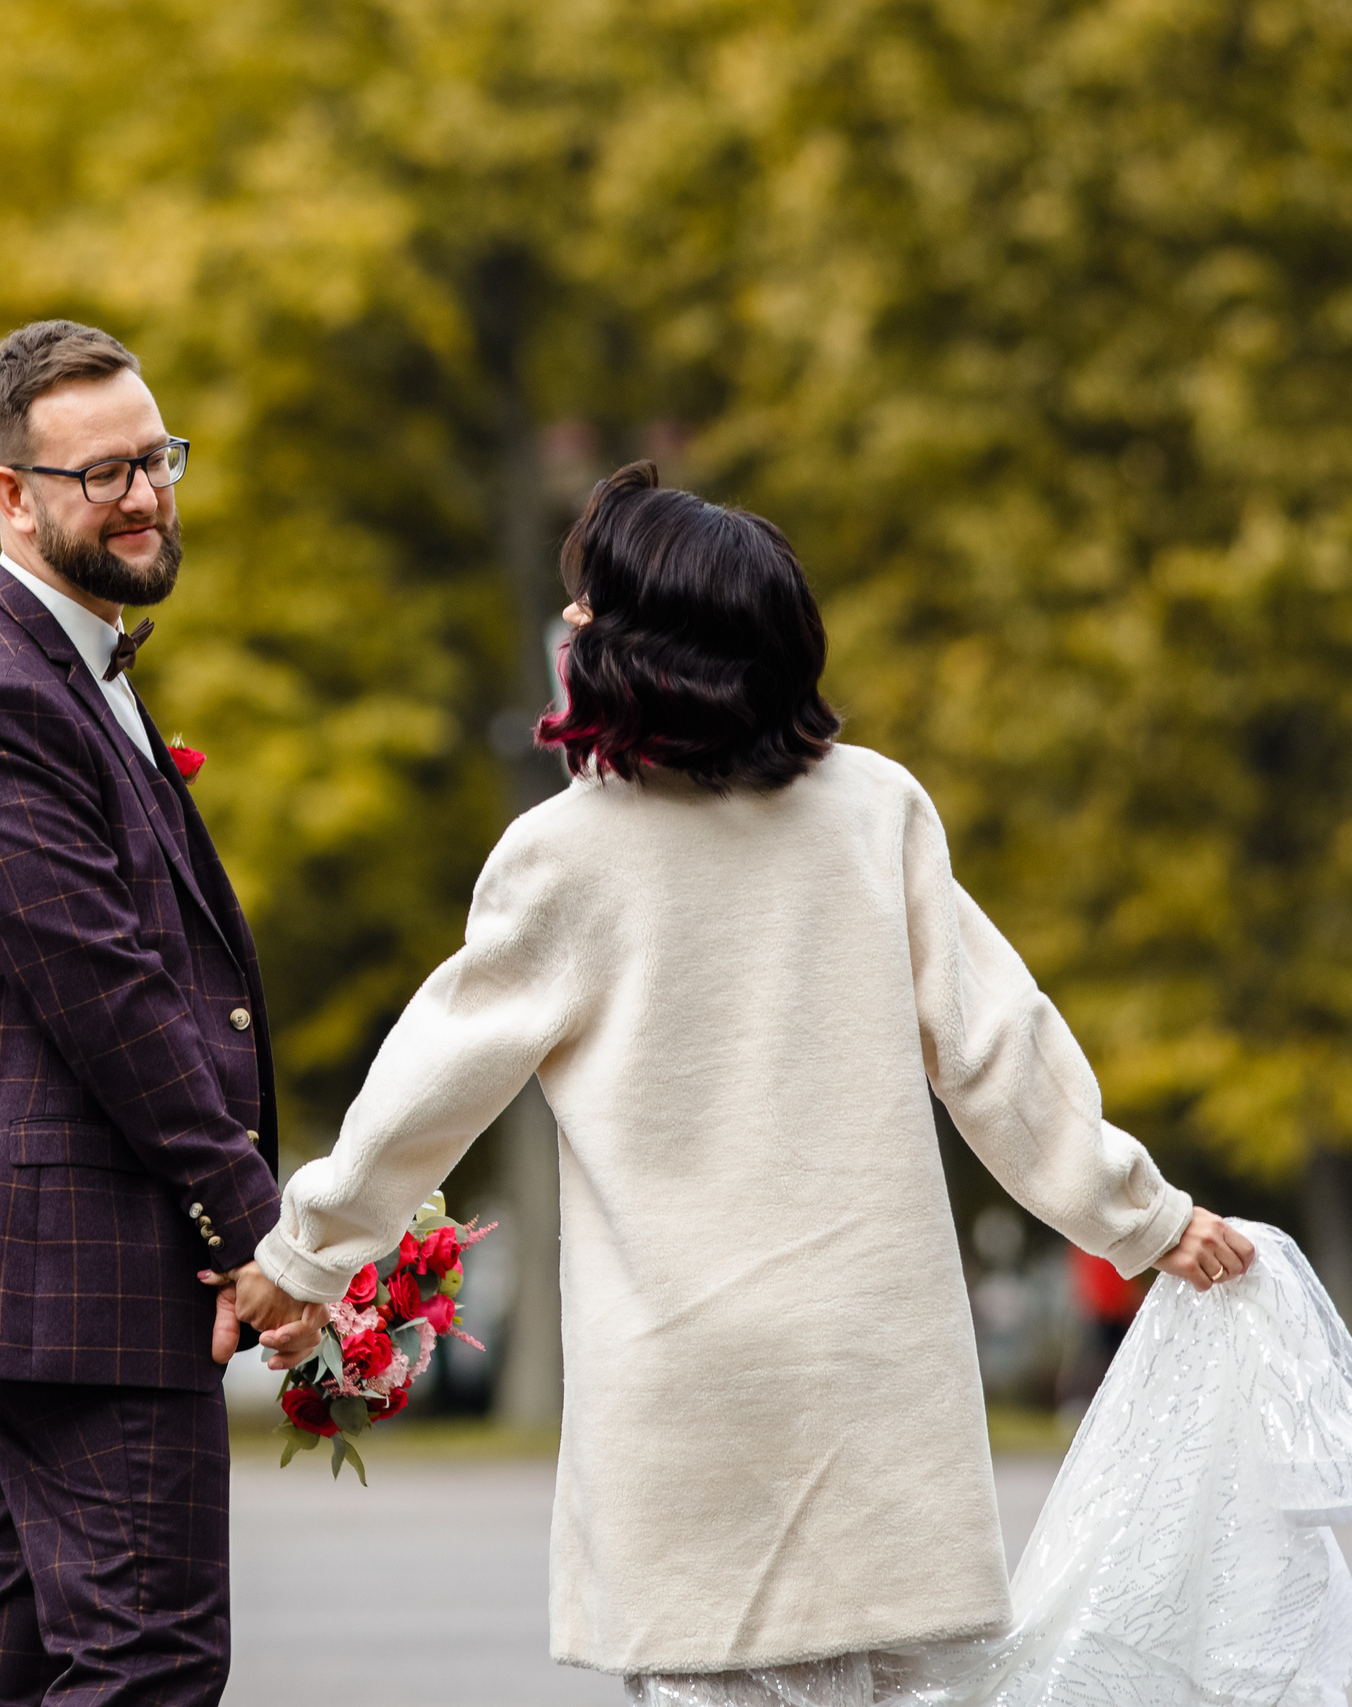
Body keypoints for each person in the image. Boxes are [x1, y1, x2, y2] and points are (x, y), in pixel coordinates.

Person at [221, 462, 1257, 1698]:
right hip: (880, 1379)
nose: (570, 622)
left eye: (591, 604)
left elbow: (427, 1087)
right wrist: (1140, 1218)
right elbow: (998, 1047)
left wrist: (303, 1258)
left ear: (645, 646)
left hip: (688, 1389)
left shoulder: (562, 854)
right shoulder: (878, 810)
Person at [0, 320, 286, 1706]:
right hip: (76, 1275)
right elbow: (109, 994)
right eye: (103, 473)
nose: (147, 495)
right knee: (149, 1658)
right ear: (12, 494)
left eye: (157, 459)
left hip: (44, 1278)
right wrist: (259, 1228)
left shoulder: (63, 668)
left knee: (15, 1659)